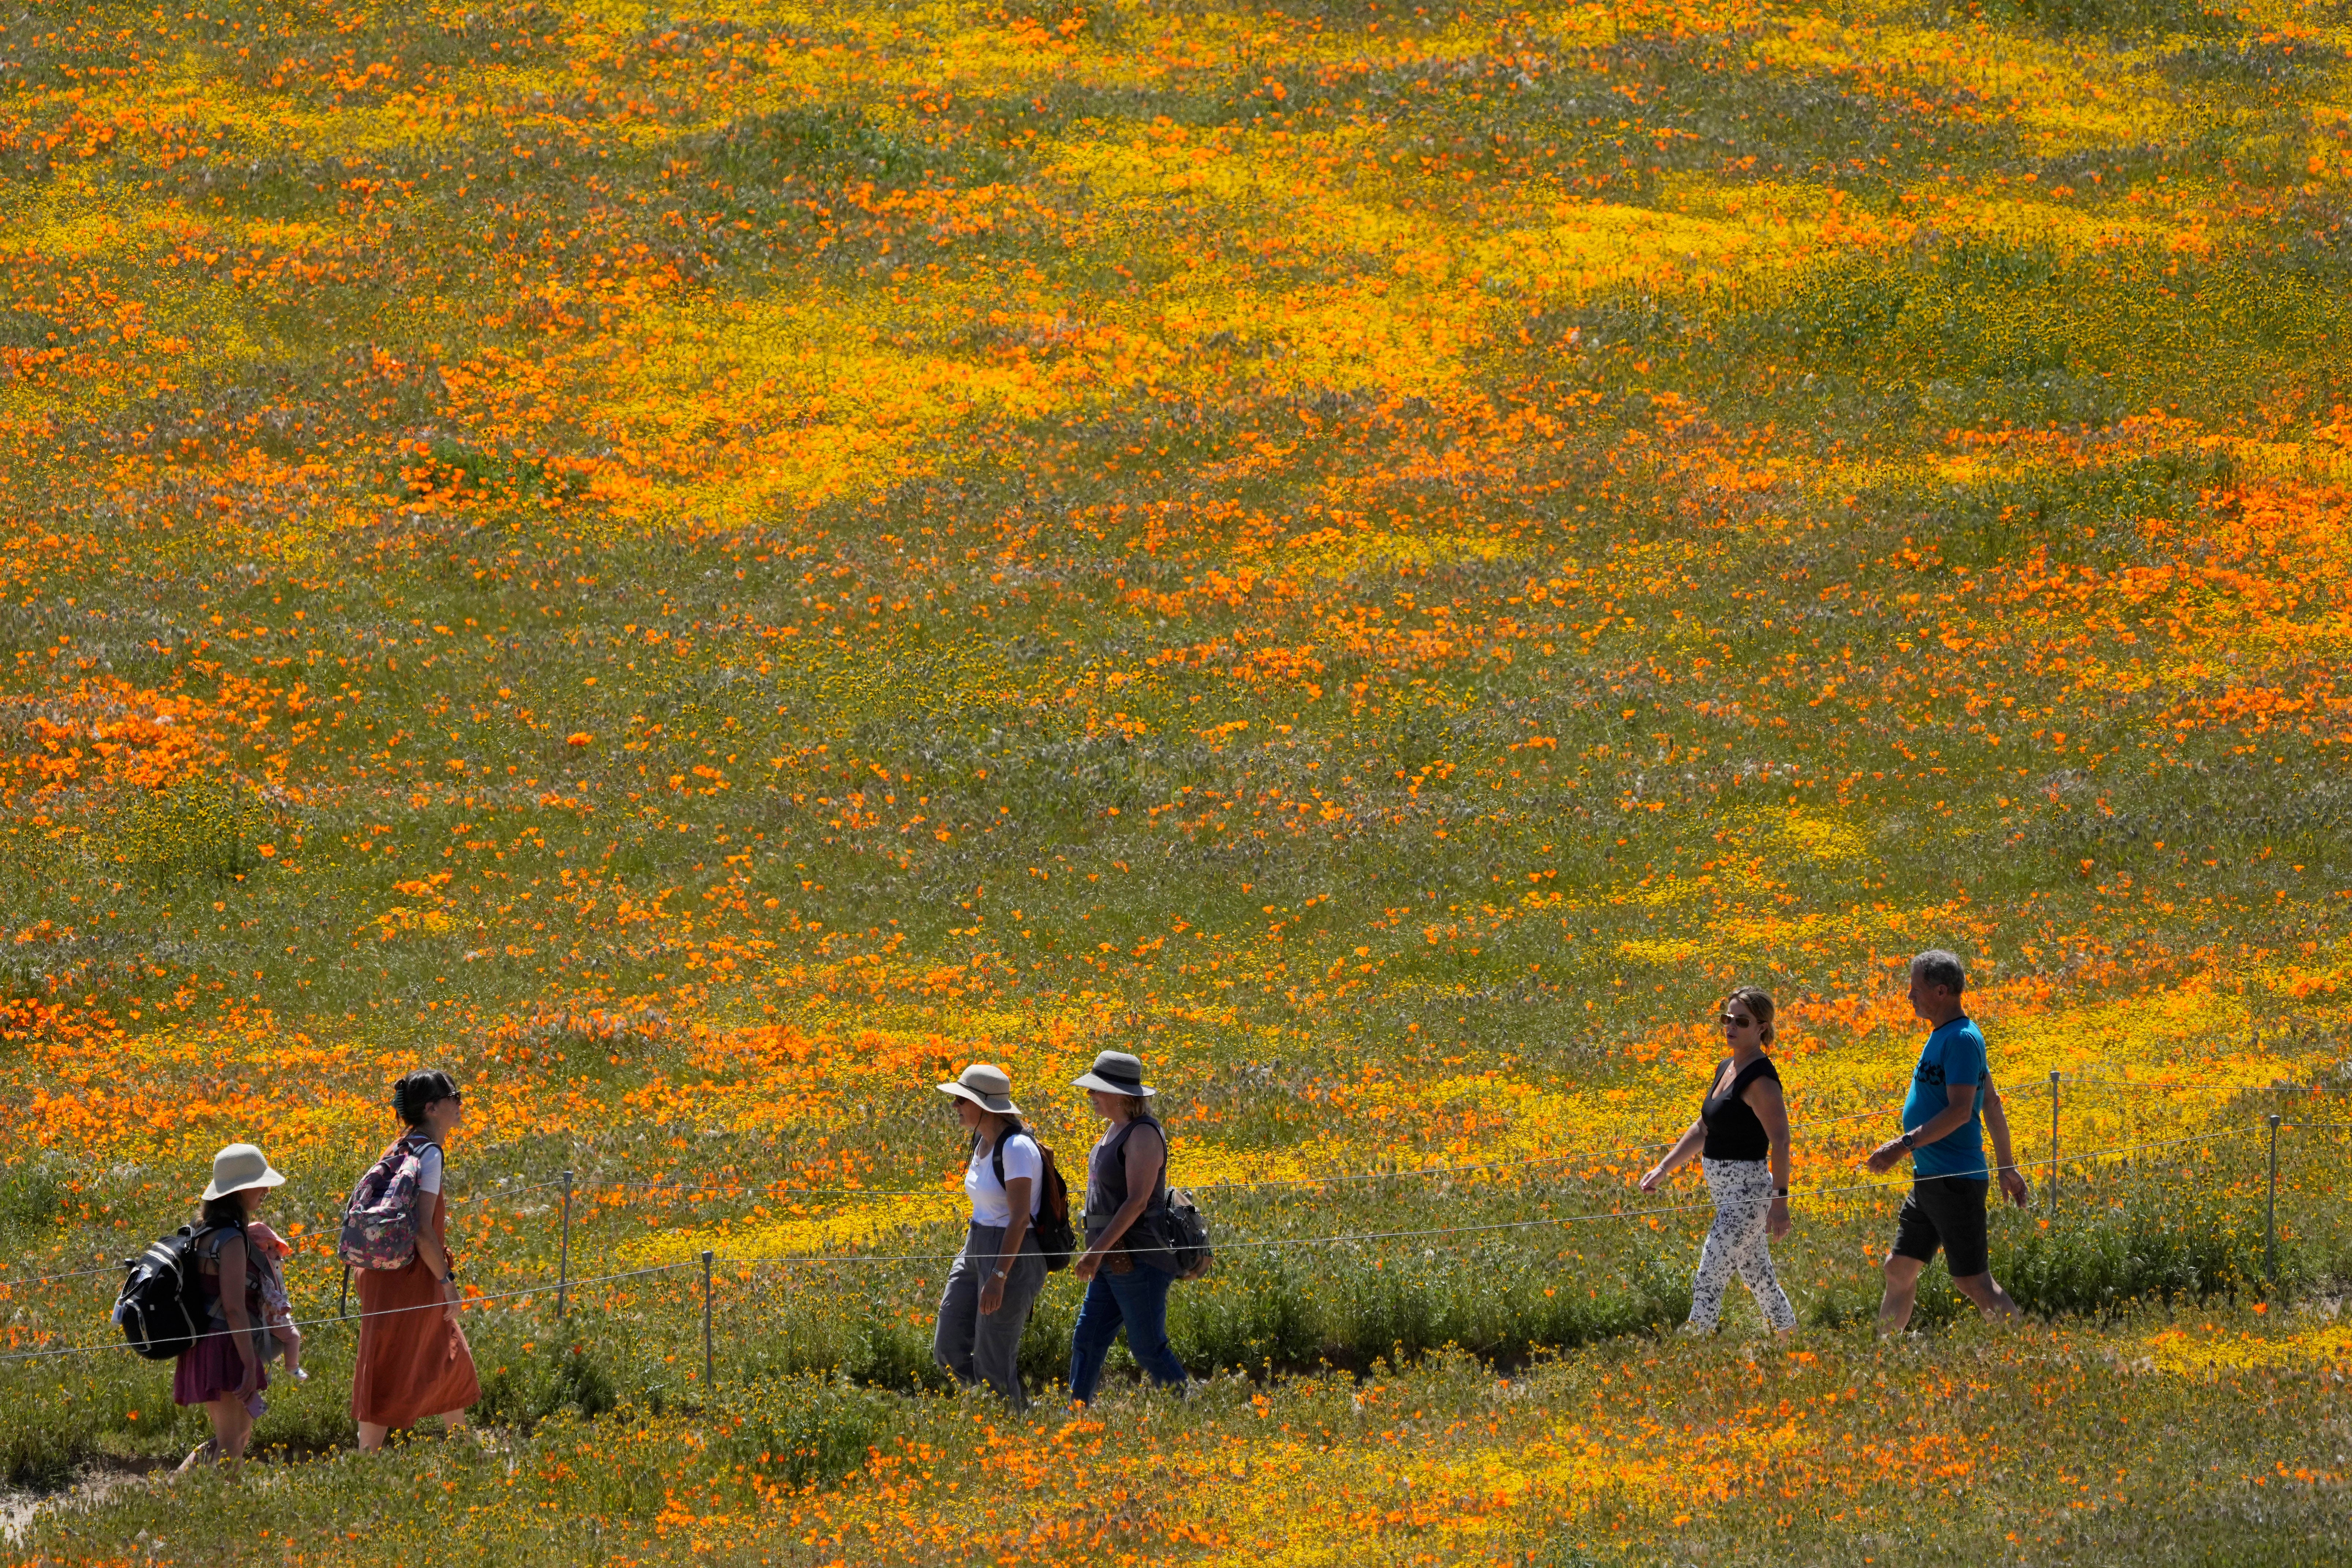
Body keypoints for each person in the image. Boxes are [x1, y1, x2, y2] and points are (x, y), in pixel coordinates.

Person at [1864, 950, 2031, 1334]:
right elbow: (1990, 1101)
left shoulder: (1961, 1039)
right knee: (1899, 1267)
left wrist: (1902, 1145)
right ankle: (1881, 1355)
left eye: (1916, 988)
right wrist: (2007, 1166)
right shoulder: (1948, 1035)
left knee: (1973, 1281)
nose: (1910, 996)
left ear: (1941, 991)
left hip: (1955, 1180)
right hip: (1932, 1178)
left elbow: (1961, 1111)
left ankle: (2032, 1351)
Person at [1639, 987, 1798, 1337]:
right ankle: (1795, 1350)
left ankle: (1694, 1348)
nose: (1730, 1027)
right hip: (1726, 1195)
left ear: (1761, 1027)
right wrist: (1664, 1168)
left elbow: (1781, 1141)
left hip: (1748, 1194)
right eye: (1727, 1019)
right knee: (1759, 1277)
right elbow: (1704, 1127)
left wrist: (1780, 1203)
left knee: (1710, 1272)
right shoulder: (1726, 1067)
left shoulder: (1760, 1079)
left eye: (1741, 1021)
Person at [352, 1069, 480, 1449]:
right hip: (410, 1274)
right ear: (432, 1107)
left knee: (446, 1349)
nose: (460, 1103)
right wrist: (447, 1282)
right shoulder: (430, 1154)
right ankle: (365, 1457)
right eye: (453, 1096)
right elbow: (424, 1230)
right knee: (390, 1358)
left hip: (380, 1268)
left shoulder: (398, 1146)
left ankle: (463, 1444)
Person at [1065, 1050, 1190, 1403]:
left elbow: (1136, 1202)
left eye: (1097, 1090)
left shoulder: (1143, 1135)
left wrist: (1094, 1252)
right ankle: (1076, 1415)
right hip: (1112, 1256)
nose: (1090, 1096)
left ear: (1121, 1096)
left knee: (1148, 1347)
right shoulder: (1117, 1129)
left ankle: (1188, 1408)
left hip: (1137, 1257)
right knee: (1087, 1339)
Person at [932, 1063, 1049, 1408]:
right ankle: (999, 1407)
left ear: (982, 1105)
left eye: (960, 1100)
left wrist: (999, 1276)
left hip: (1012, 1254)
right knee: (948, 1349)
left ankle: (1009, 1422)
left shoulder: (1015, 1148)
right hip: (976, 1246)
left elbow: (1018, 1218)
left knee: (993, 1360)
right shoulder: (982, 1139)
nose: (955, 1107)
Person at [172, 1143, 288, 1468]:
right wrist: (251, 1365)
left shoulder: (204, 1230)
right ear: (238, 1191)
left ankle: (172, 1497)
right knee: (231, 1441)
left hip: (210, 1344)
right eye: (259, 1183)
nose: (266, 1190)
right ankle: (220, 1510)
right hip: (226, 1346)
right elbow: (235, 1308)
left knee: (237, 1436)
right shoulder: (232, 1239)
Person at [245, 1219, 304, 1380]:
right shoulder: (264, 1274)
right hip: (274, 1318)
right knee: (294, 1337)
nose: (276, 1252)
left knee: (289, 1334)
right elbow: (269, 1294)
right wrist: (283, 1305)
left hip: (269, 1317)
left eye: (277, 1247)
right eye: (269, 1248)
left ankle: (277, 1354)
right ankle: (293, 1368)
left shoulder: (264, 1269)